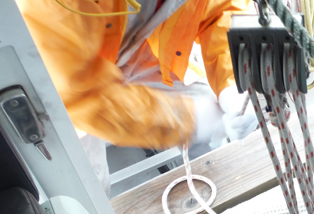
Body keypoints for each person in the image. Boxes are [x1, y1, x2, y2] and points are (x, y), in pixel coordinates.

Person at [17, 0, 258, 194]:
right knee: (88, 185)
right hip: (69, 79)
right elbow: (77, 93)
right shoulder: (45, 6)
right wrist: (187, 119)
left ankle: (220, 188)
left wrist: (232, 81)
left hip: (141, 45)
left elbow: (221, 8)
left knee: (207, 102)